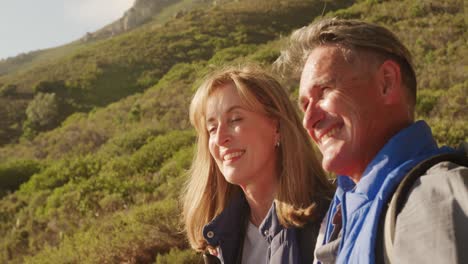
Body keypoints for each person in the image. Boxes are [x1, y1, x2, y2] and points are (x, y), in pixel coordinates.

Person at [275, 18, 468, 263]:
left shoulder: (433, 199)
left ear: (387, 82)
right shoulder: (341, 216)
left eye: (323, 91)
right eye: (304, 106)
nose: (308, 120)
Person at [182, 65, 335, 264]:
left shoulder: (333, 218)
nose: (220, 138)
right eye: (211, 128)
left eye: (235, 119)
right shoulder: (218, 242)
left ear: (277, 126)